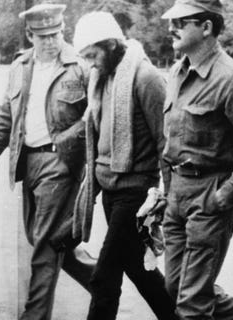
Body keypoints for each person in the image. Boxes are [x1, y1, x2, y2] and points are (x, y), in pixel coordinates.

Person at [160, 0, 233, 319]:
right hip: (176, 195)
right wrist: (166, 192)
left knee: (191, 306)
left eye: (181, 22)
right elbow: (169, 138)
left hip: (210, 198)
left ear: (206, 27)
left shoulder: (231, 78)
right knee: (176, 288)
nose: (172, 27)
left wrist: (227, 193)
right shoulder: (176, 72)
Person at [0, 3, 95, 319]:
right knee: (50, 242)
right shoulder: (20, 67)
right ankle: (104, 283)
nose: (51, 41)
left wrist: (68, 141)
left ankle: (34, 316)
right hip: (29, 164)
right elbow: (4, 118)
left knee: (44, 247)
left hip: (62, 165)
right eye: (43, 36)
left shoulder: (81, 67)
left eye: (56, 34)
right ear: (30, 35)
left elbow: (96, 116)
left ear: (63, 31)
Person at [72, 12, 177, 320]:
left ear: (111, 44)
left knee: (103, 277)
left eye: (93, 55)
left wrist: (166, 197)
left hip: (135, 195)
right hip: (109, 191)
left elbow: (165, 140)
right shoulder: (101, 78)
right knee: (140, 273)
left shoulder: (146, 77)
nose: (91, 63)